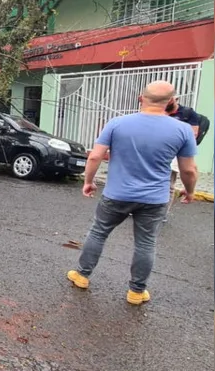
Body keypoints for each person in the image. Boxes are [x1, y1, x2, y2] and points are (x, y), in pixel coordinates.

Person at [68, 81, 198, 305]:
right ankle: (136, 292)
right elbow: (188, 169)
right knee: (146, 243)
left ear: (141, 98)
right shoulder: (183, 130)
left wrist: (88, 181)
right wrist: (189, 190)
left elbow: (95, 156)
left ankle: (82, 275)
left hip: (117, 193)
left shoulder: (117, 123)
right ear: (170, 102)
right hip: (155, 198)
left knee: (99, 232)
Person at [165, 99, 203, 219]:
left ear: (175, 99)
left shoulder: (187, 113)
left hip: (177, 152)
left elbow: (193, 134)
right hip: (160, 150)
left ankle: (162, 213)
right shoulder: (160, 110)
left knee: (169, 185)